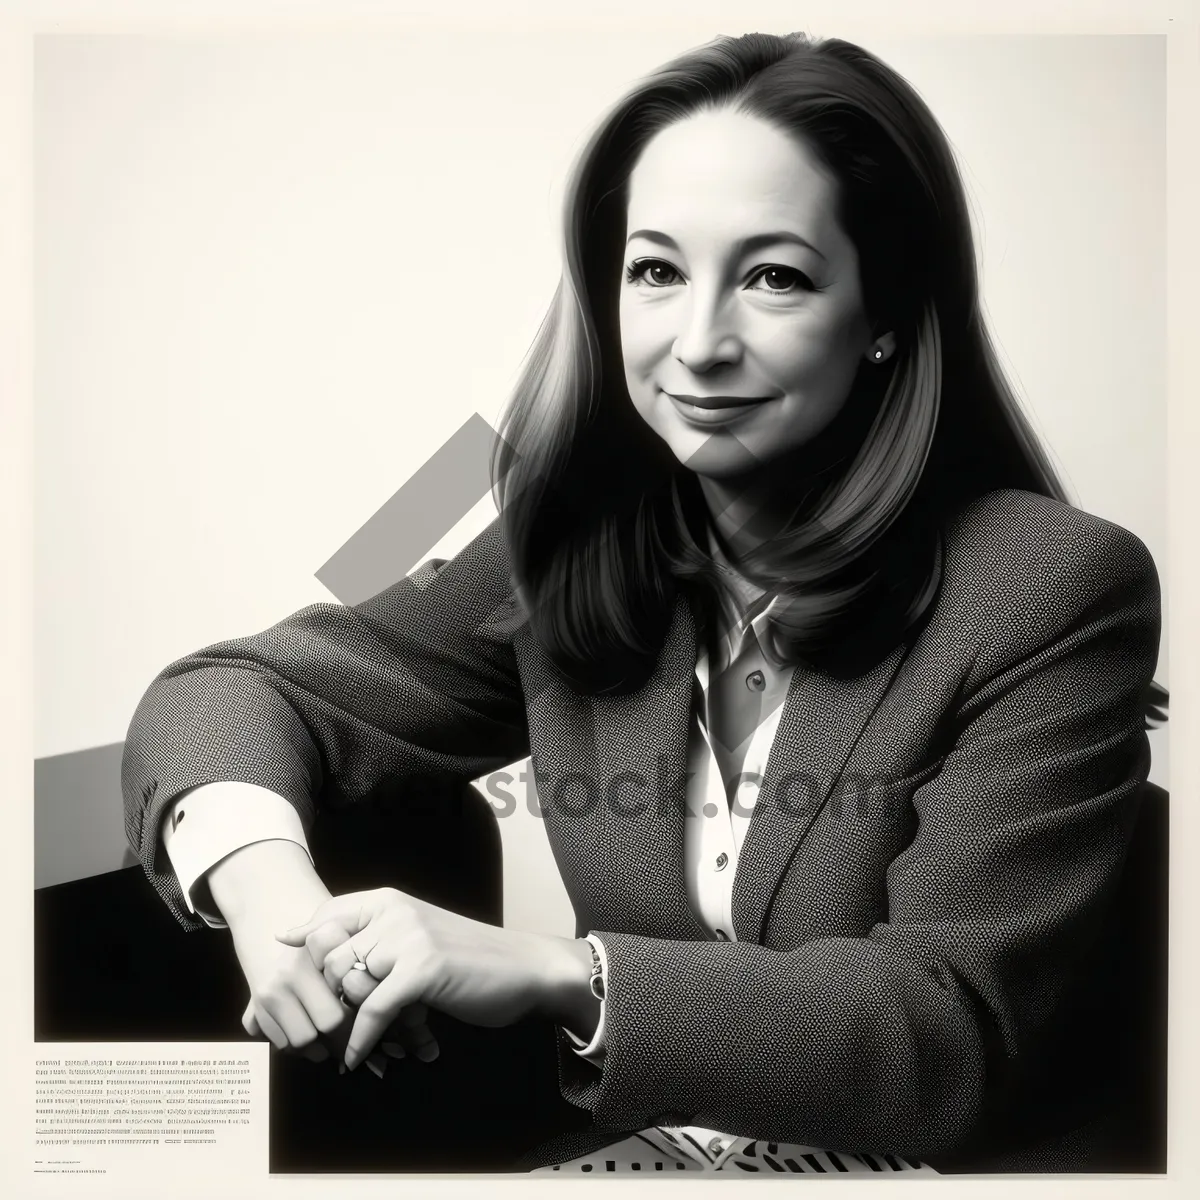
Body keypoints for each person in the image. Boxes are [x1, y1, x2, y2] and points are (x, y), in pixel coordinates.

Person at [122, 31, 1167, 1174]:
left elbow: (944, 1033)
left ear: (884, 313)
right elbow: (237, 686)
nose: (697, 345)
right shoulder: (571, 545)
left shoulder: (1053, 587)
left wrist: (561, 974)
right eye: (656, 270)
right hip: (652, 1153)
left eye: (775, 276)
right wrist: (277, 904)